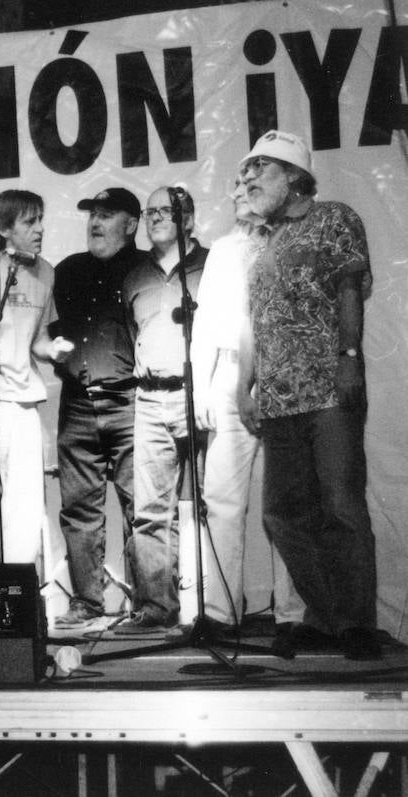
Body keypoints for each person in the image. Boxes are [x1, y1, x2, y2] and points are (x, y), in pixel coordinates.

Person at [240, 129, 380, 661]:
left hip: (326, 390)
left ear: (294, 177)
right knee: (281, 512)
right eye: (246, 171)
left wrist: (349, 358)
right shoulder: (265, 241)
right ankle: (326, 616)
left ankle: (357, 623)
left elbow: (349, 288)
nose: (249, 179)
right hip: (278, 400)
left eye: (261, 170)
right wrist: (249, 385)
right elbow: (260, 322)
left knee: (341, 505)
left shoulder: (334, 218)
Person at [191, 176, 306, 649]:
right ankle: (220, 612)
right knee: (221, 496)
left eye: (249, 186)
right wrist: (200, 387)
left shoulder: (291, 241)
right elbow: (205, 322)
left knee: (290, 499)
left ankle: (294, 614)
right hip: (229, 372)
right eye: (235, 187)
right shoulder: (222, 250)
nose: (238, 194)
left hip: (283, 373)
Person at [0, 190, 72, 565]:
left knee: (25, 501)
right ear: (4, 228)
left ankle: (19, 592)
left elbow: (37, 339)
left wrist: (52, 350)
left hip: (23, 399)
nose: (40, 228)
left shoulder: (46, 271)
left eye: (40, 219)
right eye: (29, 221)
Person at [49, 187, 147, 629]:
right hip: (78, 403)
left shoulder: (148, 269)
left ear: (131, 223)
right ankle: (87, 602)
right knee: (78, 508)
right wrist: (58, 353)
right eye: (92, 214)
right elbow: (54, 331)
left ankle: (147, 604)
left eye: (107, 214)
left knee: (140, 507)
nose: (95, 222)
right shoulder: (68, 270)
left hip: (131, 402)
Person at [114, 186, 207, 634]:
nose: (153, 218)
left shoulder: (211, 266)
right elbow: (135, 335)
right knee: (151, 509)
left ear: (187, 219)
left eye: (163, 211)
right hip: (149, 398)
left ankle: (216, 611)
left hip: (200, 395)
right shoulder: (135, 275)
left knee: (212, 505)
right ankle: (156, 609)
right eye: (148, 212)